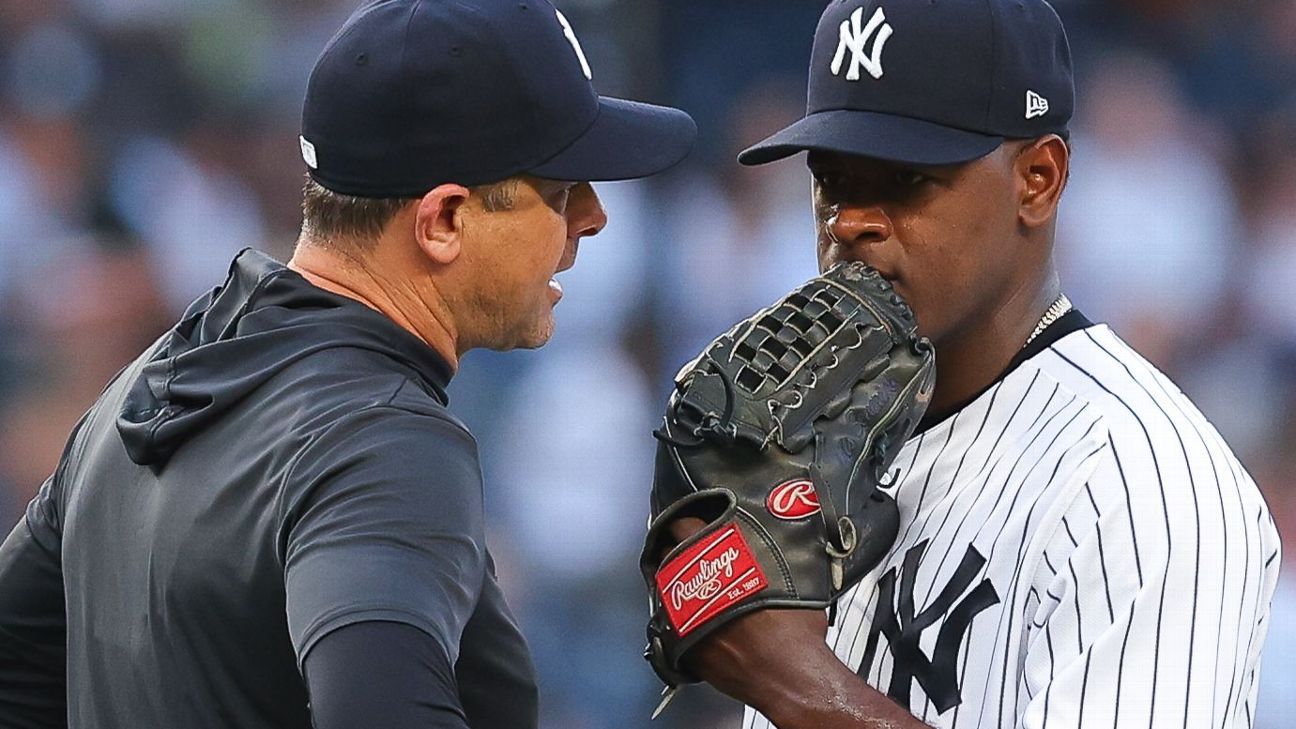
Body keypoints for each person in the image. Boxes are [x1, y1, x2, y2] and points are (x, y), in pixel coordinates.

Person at [0, 1, 695, 728]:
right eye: (558, 191)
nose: (592, 215)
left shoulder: (145, 386)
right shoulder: (382, 440)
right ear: (444, 221)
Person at [666, 1, 1282, 728]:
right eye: (832, 180)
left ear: (1038, 179)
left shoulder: (1142, 486)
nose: (849, 221)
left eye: (903, 180)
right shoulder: (813, 443)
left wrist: (798, 683)